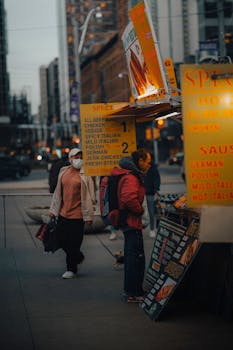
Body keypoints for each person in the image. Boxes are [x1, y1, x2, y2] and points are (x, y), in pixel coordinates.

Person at [110, 148, 151, 302]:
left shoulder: (130, 175)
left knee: (132, 257)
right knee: (135, 258)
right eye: (148, 162)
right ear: (140, 161)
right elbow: (128, 198)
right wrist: (140, 210)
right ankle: (134, 292)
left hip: (129, 222)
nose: (149, 165)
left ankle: (132, 290)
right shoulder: (131, 178)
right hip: (131, 222)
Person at [49, 148, 95, 279]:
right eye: (76, 157)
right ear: (70, 158)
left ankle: (71, 269)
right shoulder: (64, 171)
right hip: (63, 214)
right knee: (62, 241)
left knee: (74, 243)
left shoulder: (86, 174)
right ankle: (78, 256)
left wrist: (89, 216)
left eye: (80, 157)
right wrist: (53, 210)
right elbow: (58, 193)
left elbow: (90, 197)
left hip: (78, 216)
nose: (78, 159)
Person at [144, 159, 161, 238]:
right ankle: (150, 229)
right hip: (143, 193)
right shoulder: (141, 167)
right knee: (144, 212)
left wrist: (156, 189)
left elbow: (157, 179)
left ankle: (151, 229)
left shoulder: (152, 168)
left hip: (150, 193)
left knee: (151, 212)